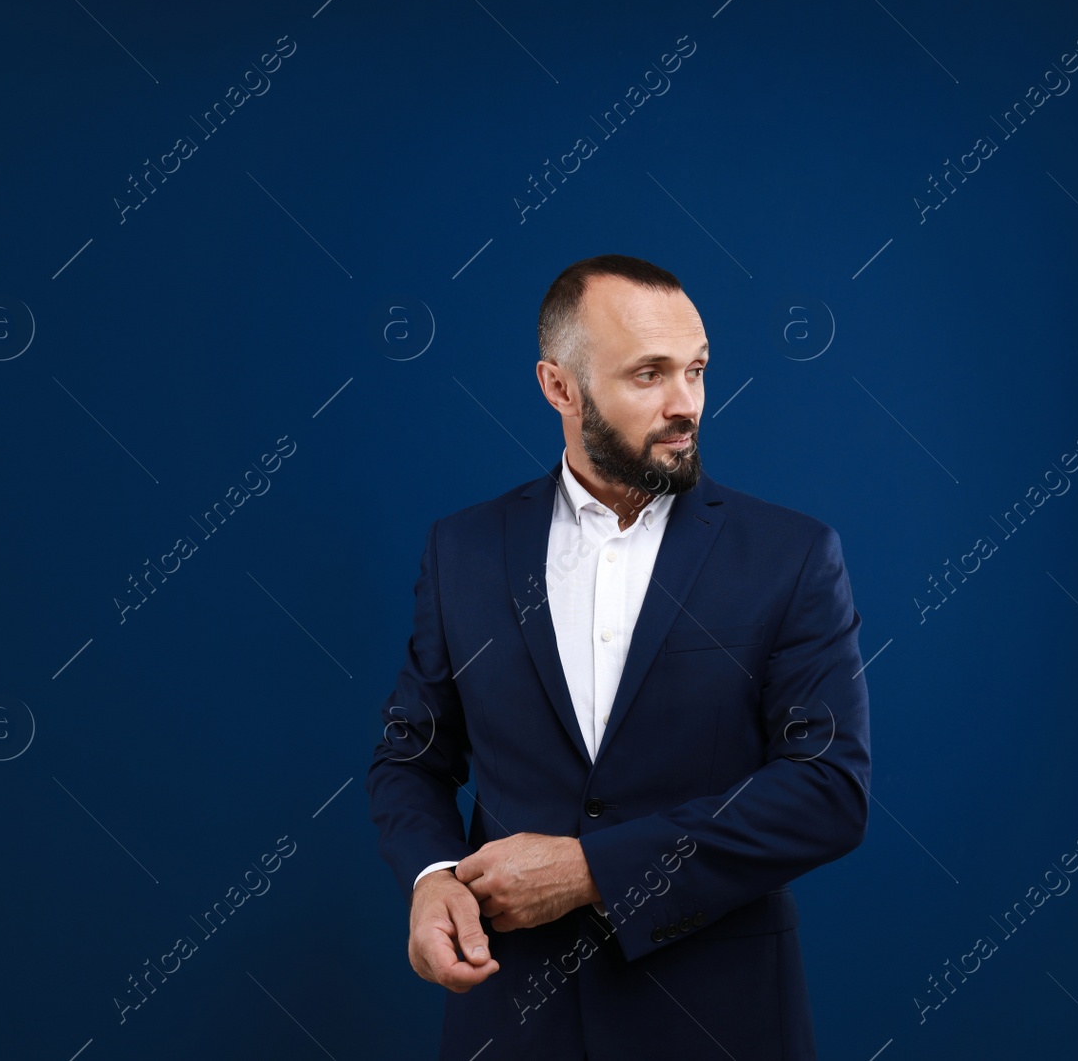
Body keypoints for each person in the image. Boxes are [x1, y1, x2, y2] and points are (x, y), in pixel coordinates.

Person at [366, 254, 871, 1059]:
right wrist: (431, 880)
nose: (687, 404)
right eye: (650, 375)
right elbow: (411, 757)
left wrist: (591, 868)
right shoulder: (462, 548)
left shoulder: (793, 554)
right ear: (559, 387)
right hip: (511, 1023)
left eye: (697, 370)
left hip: (721, 1023)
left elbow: (827, 788)